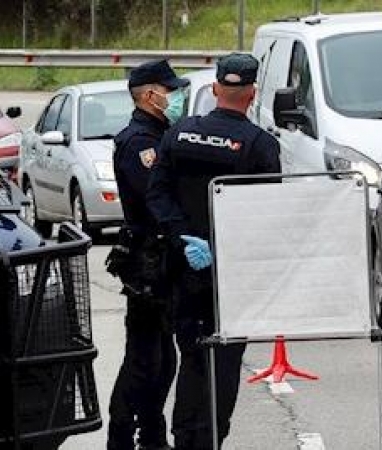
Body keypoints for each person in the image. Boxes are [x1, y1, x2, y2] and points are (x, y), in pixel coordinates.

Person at [146, 53, 281, 450]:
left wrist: (182, 238)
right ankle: (207, 439)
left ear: (217, 89)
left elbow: (158, 194)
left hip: (181, 268)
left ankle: (186, 436)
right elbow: (266, 215)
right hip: (231, 277)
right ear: (252, 94)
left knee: (191, 355)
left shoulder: (180, 133)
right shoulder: (260, 146)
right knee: (222, 362)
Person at [106, 59, 188, 450]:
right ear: (150, 95)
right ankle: (122, 436)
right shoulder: (139, 141)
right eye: (169, 91)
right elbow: (155, 198)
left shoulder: (161, 133)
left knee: (161, 359)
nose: (175, 97)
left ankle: (152, 435)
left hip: (160, 260)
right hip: (145, 263)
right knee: (143, 362)